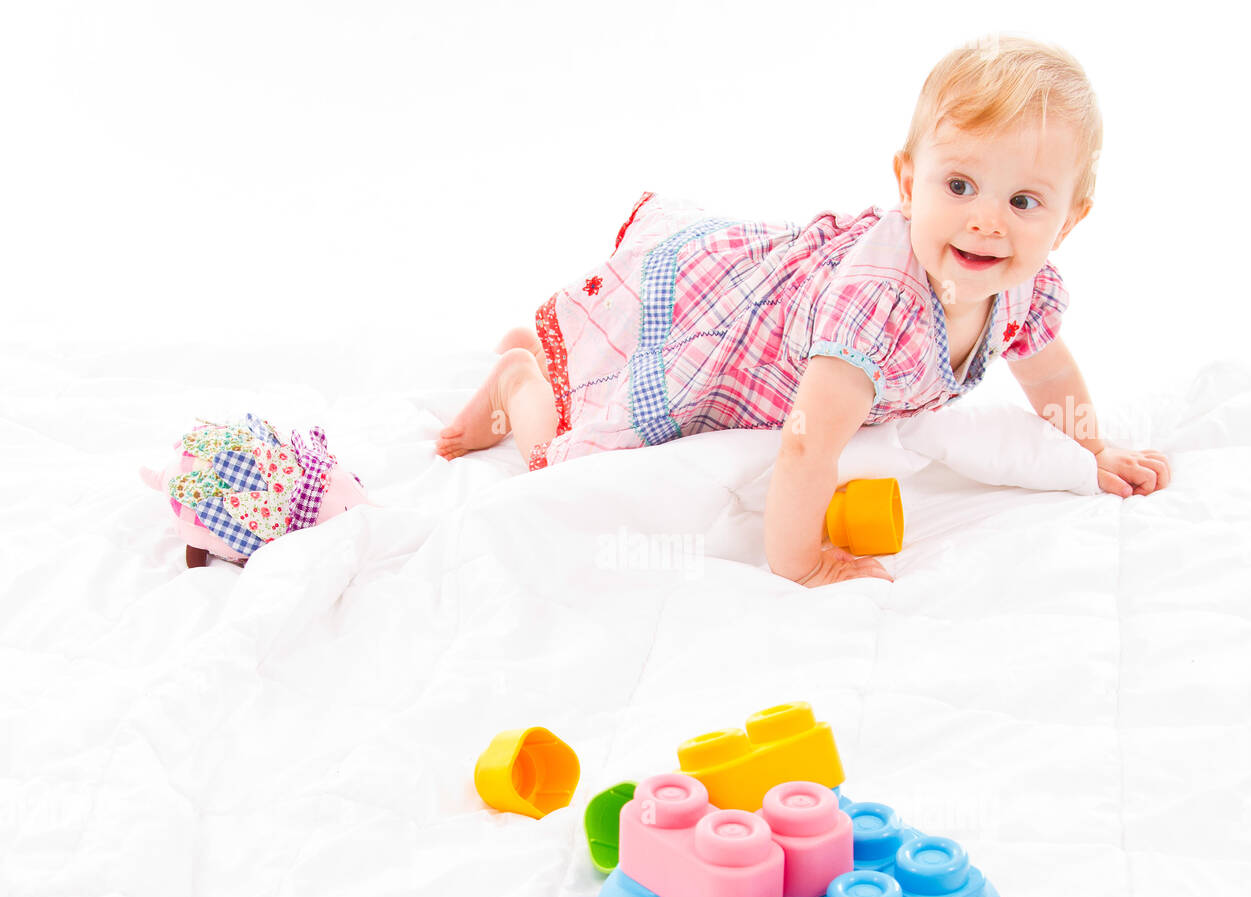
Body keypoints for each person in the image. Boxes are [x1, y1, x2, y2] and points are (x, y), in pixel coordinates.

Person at [436, 34, 1171, 587]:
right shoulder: (874, 311)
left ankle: (536, 347)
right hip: (724, 326)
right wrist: (803, 565)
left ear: (1068, 220)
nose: (986, 222)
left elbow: (1048, 373)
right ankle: (520, 382)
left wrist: (1094, 449)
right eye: (959, 186)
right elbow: (805, 447)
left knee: (600, 368)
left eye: (1022, 202)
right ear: (908, 183)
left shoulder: (1020, 288)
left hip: (770, 295)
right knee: (558, 455)